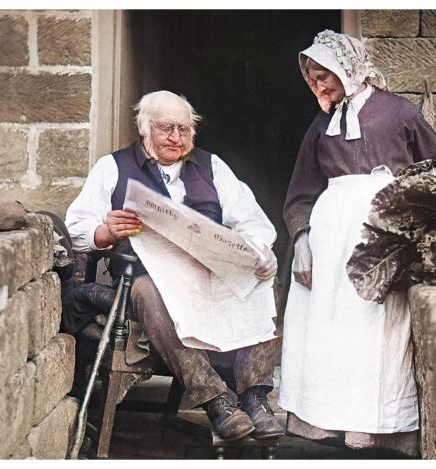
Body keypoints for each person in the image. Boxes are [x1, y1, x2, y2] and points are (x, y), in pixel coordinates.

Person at [279, 30, 436, 456]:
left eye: (326, 77)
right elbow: (301, 190)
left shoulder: (400, 113)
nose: (320, 87)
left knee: (375, 330)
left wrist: (422, 229)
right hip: (328, 242)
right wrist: (302, 240)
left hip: (383, 236)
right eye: (314, 79)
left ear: (349, 69)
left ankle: (376, 428)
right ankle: (323, 421)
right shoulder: (321, 125)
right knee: (326, 329)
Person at [65, 90, 282, 441]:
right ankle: (216, 401)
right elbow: (75, 228)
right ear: (144, 128)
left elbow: (254, 223)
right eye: (167, 129)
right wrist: (104, 231)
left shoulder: (212, 167)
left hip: (208, 277)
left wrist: (257, 251)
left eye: (184, 130)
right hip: (147, 279)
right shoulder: (113, 167)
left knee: (260, 276)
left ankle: (255, 399)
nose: (176, 138)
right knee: (150, 292)